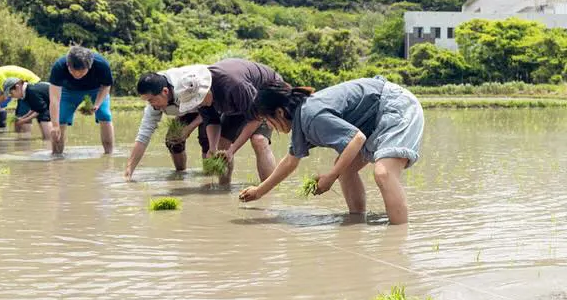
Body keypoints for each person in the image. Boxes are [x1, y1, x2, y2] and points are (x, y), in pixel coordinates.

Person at [239, 77, 424, 225]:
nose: (270, 127)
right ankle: (357, 221)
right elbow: (290, 161)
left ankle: (398, 242)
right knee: (346, 170)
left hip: (396, 105)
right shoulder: (302, 119)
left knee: (383, 173)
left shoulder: (311, 115)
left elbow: (356, 139)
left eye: (267, 120)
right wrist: (259, 191)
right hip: (375, 118)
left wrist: (331, 176)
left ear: (279, 112)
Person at [198, 58, 282, 186]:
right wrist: (212, 148)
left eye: (201, 100)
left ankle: (267, 191)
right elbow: (213, 122)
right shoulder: (199, 96)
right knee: (222, 143)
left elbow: (256, 118)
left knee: (259, 140)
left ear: (207, 89)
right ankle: (224, 188)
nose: (200, 104)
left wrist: (233, 150)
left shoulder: (234, 85)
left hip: (266, 94)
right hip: (240, 103)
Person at [122, 65, 214, 180]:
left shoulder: (184, 87)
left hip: (208, 102)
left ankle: (210, 180)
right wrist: (129, 171)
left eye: (151, 100)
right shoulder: (154, 102)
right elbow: (143, 136)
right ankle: (181, 175)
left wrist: (189, 128)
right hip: (186, 109)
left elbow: (210, 107)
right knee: (173, 139)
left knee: (206, 139)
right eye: (147, 101)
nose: (151, 104)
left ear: (165, 91)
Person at [47, 46, 115, 155]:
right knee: (61, 119)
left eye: (82, 72)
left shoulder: (101, 64)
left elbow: (106, 86)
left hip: (96, 90)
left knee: (105, 115)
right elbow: (54, 99)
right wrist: (55, 125)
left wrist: (97, 104)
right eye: (73, 71)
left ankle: (109, 155)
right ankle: (56, 157)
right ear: (68, 65)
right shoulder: (59, 66)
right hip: (68, 92)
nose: (77, 75)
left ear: (90, 66)